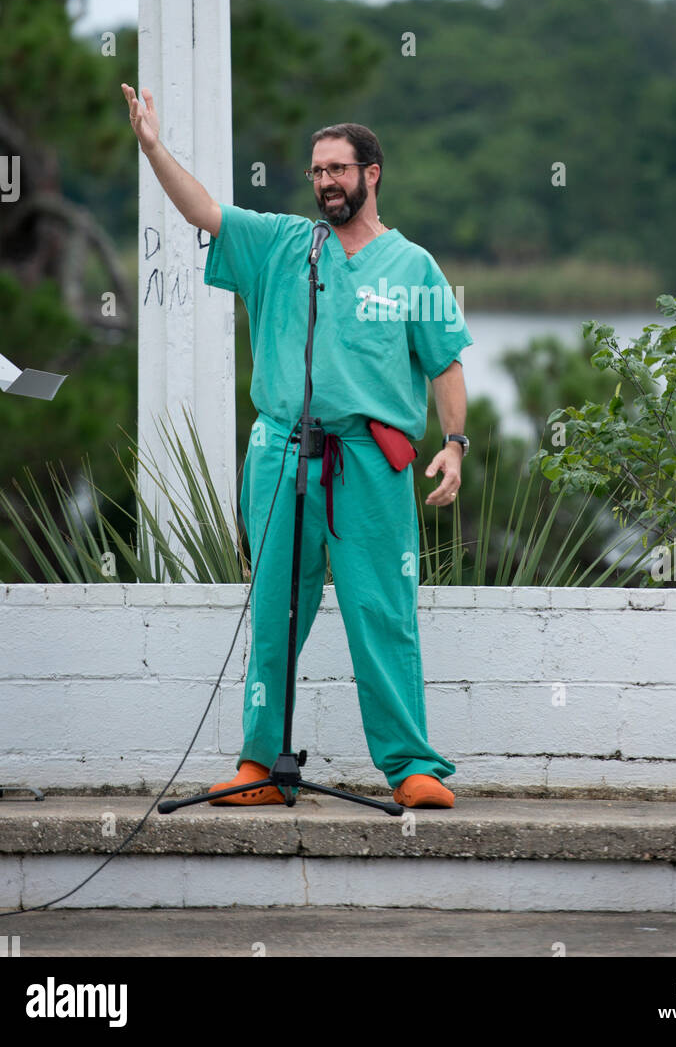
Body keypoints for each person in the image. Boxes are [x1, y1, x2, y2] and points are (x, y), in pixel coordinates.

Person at [123, 84, 472, 809]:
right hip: (282, 454)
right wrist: (154, 148)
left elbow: (445, 363)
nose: (324, 182)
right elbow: (201, 209)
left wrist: (454, 443)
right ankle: (260, 765)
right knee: (276, 611)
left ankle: (410, 766)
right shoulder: (282, 243)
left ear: (370, 174)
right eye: (316, 171)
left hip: (370, 462)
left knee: (383, 611)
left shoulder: (413, 266)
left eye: (337, 170)